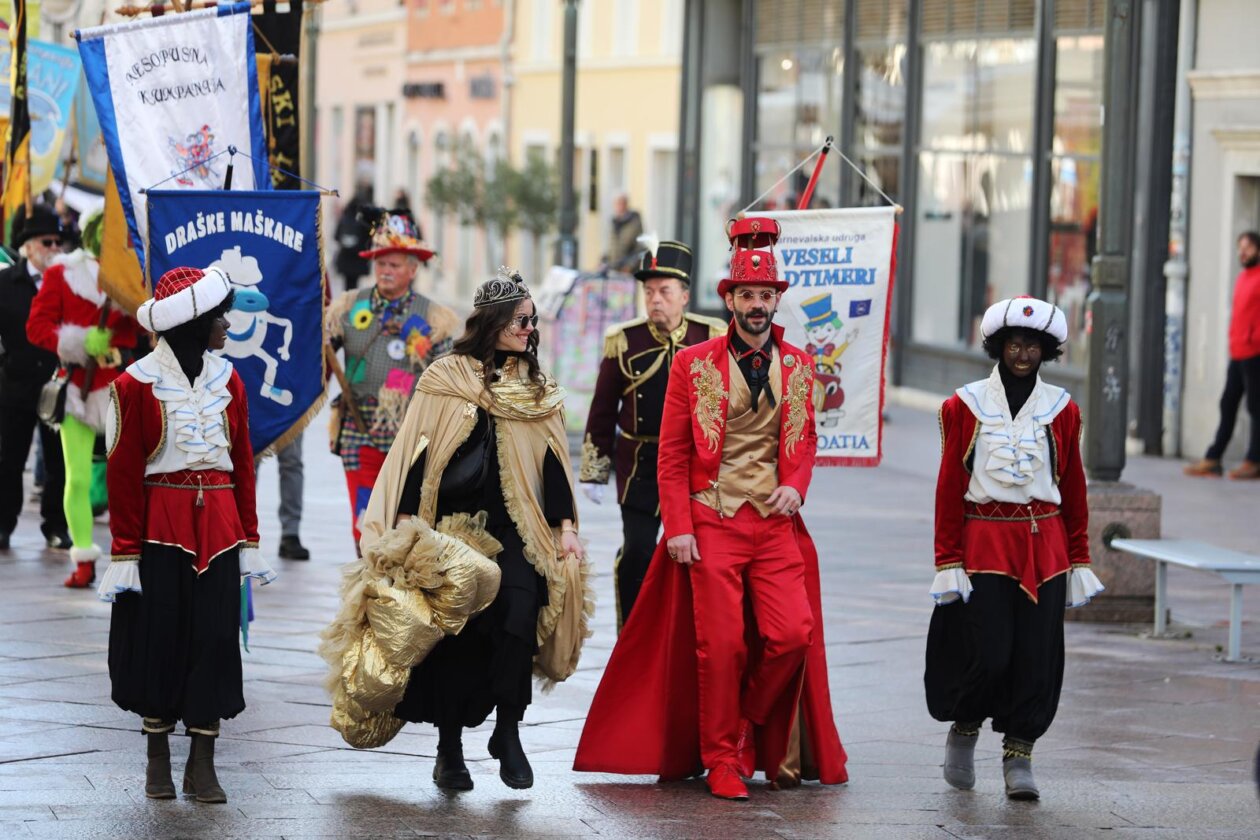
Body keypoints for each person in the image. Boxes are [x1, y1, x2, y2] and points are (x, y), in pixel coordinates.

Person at [575, 217, 847, 800]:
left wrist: (797, 484)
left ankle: (750, 716)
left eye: (765, 296)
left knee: (793, 635)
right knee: (720, 647)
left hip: (774, 525)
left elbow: (802, 444)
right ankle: (722, 759)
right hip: (712, 520)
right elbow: (672, 454)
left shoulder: (799, 367)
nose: (756, 305)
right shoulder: (693, 363)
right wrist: (677, 526)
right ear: (730, 299)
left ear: (777, 301)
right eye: (746, 295)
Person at [350, 267, 590, 791]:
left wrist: (566, 525)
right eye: (521, 321)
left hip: (518, 529)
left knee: (521, 612)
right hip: (450, 530)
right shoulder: (447, 376)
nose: (530, 329)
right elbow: (418, 449)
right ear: (495, 322)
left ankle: (508, 731)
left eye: (533, 321)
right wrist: (409, 521)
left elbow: (553, 463)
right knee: (459, 631)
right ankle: (449, 749)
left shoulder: (537, 389)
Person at [96, 265, 276, 803]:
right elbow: (124, 475)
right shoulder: (133, 385)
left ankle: (203, 761)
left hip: (218, 529)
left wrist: (249, 536)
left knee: (216, 640)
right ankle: (157, 760)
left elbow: (242, 464)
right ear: (192, 322)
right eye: (217, 315)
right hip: (159, 529)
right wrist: (125, 552)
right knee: (160, 637)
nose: (226, 324)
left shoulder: (231, 380)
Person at [925, 296, 1103, 801]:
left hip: (1044, 544)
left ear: (1045, 351)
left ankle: (1019, 754)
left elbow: (1074, 488)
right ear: (999, 347)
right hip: (983, 541)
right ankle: (964, 728)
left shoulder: (1063, 410)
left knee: (1036, 654)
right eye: (1014, 344)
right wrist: (947, 559)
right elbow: (947, 488)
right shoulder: (963, 405)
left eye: (1032, 345)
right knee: (989, 650)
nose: (1022, 353)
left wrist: (1079, 555)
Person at [579, 240, 725, 627]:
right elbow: (603, 408)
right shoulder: (625, 341)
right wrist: (595, 470)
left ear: (685, 296)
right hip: (640, 466)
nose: (655, 300)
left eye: (664, 291)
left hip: (695, 468)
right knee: (639, 553)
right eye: (648, 291)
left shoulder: (711, 336)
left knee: (695, 553)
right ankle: (633, 633)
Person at [327, 212, 458, 545]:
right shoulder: (347, 307)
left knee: (404, 522)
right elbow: (321, 359)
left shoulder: (433, 317)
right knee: (363, 521)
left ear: (413, 270)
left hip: (410, 436)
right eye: (381, 263)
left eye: (395, 265)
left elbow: (448, 379)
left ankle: (395, 590)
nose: (385, 270)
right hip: (359, 429)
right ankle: (367, 587)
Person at [26, 209, 141, 587]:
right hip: (77, 385)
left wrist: (135, 301)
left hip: (122, 386)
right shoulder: (62, 274)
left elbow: (150, 323)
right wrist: (74, 341)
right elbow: (37, 326)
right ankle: (84, 556)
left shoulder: (132, 279)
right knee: (74, 477)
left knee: (125, 476)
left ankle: (130, 554)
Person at [0, 204, 70, 551]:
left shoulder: (68, 283)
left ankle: (56, 525)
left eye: (60, 242)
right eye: (48, 242)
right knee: (8, 460)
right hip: (15, 384)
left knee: (59, 462)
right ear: (28, 245)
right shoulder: (5, 281)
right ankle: (3, 524)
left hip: (57, 387)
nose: (56, 249)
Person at [1184, 231, 1260, 480]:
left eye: (1247, 247)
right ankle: (1214, 459)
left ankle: (1254, 460)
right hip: (1238, 352)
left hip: (1255, 352)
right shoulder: (1242, 278)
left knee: (1255, 408)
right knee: (1227, 404)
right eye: (1240, 247)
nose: (1243, 252)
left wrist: (1253, 338)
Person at [334, 184, 374, 293]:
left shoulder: (344, 218)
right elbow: (370, 238)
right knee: (354, 286)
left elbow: (336, 236)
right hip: (358, 259)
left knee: (346, 285)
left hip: (345, 257)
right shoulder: (363, 221)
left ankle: (346, 306)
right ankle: (352, 307)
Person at [605, 195, 643, 273]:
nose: (619, 207)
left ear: (626, 204)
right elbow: (612, 247)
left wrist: (630, 265)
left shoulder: (634, 222)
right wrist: (603, 261)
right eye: (616, 204)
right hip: (614, 268)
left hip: (628, 270)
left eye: (621, 203)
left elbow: (640, 248)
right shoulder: (615, 222)